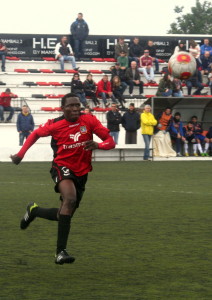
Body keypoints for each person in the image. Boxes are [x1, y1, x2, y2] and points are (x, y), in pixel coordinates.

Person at [10, 93, 115, 264]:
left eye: (77, 105)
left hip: (82, 171)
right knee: (70, 199)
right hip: (61, 166)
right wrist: (20, 154)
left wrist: (99, 145)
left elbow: (110, 141)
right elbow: (35, 134)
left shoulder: (89, 121)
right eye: (70, 106)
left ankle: (34, 211)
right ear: (62, 108)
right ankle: (60, 253)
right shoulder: (55, 125)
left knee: (64, 214)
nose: (75, 109)